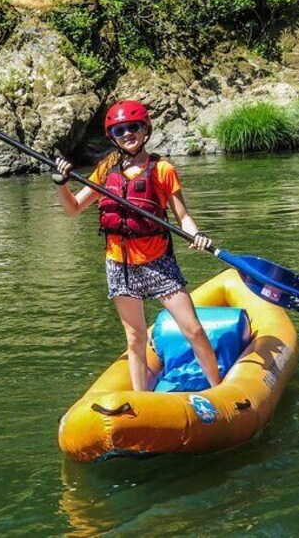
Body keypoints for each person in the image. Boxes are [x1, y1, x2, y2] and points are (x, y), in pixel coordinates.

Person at [53, 100, 222, 391]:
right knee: (135, 338)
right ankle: (141, 401)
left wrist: (197, 235)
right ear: (112, 136)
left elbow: (183, 217)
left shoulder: (163, 169)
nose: (127, 134)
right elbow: (73, 209)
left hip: (158, 261)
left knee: (192, 330)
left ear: (145, 130)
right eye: (120, 130)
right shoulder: (106, 170)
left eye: (133, 127)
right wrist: (62, 185)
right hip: (120, 266)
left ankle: (219, 388)